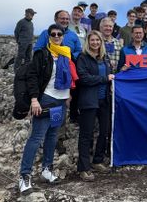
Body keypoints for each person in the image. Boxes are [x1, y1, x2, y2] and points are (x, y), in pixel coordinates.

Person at [18, 24, 76, 194]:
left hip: (60, 101)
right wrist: (34, 99)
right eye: (53, 34)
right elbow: (32, 77)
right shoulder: (42, 54)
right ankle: (24, 176)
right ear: (49, 36)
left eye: (59, 34)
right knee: (36, 137)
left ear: (63, 36)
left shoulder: (66, 53)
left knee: (52, 135)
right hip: (46, 99)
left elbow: (68, 77)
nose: (56, 36)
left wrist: (68, 94)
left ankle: (46, 170)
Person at [76, 31, 115, 181]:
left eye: (97, 40)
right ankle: (84, 168)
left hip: (104, 100)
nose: (95, 43)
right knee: (86, 135)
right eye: (92, 40)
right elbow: (83, 78)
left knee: (104, 131)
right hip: (89, 101)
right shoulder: (83, 58)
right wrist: (105, 78)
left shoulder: (104, 58)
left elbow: (111, 75)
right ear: (88, 42)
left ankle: (97, 160)